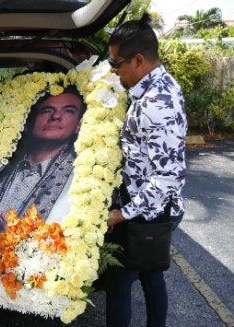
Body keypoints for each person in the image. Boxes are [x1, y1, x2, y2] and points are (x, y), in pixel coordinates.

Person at [105, 13, 187, 327]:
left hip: (147, 212)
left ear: (138, 59)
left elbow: (167, 178)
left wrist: (121, 215)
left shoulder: (156, 104)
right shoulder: (160, 84)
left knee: (119, 283)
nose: (114, 70)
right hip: (149, 207)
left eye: (117, 63)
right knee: (151, 277)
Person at [0, 86, 86, 258]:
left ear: (78, 126)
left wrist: (22, 246)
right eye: (47, 111)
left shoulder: (83, 176)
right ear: (28, 123)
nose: (56, 116)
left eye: (68, 111)